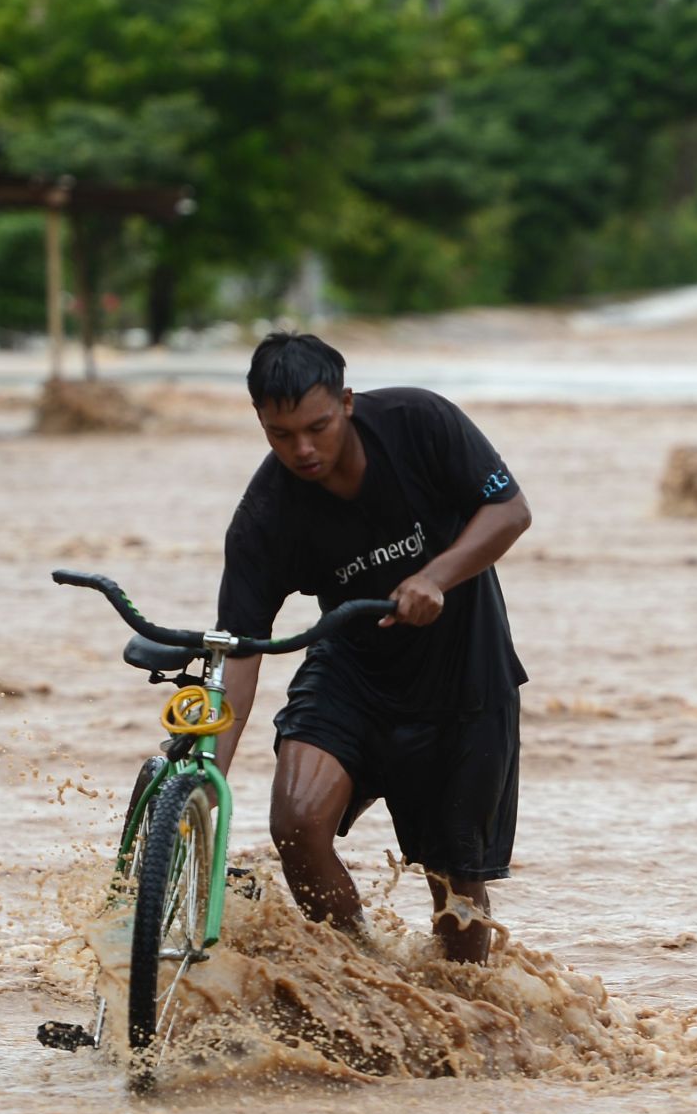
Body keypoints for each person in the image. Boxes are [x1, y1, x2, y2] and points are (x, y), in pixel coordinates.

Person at [214, 333, 532, 964]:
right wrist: (208, 782)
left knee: (455, 885)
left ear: (348, 403)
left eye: (318, 427)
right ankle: (360, 972)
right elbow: (241, 652)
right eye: (280, 435)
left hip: (464, 675)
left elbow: (510, 510)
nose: (303, 449)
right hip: (352, 672)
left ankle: (458, 1016)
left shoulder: (420, 421)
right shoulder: (264, 516)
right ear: (260, 424)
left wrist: (435, 576)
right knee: (297, 824)